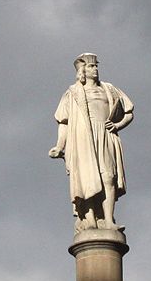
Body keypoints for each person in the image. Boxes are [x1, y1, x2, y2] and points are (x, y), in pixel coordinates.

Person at [48, 53, 134, 230]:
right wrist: (59, 145)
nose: (95, 69)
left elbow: (129, 112)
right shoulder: (72, 93)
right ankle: (90, 219)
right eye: (91, 66)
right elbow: (64, 122)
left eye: (96, 66)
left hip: (105, 135)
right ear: (82, 70)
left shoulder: (109, 89)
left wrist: (117, 125)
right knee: (87, 179)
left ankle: (109, 220)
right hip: (82, 140)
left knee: (108, 178)